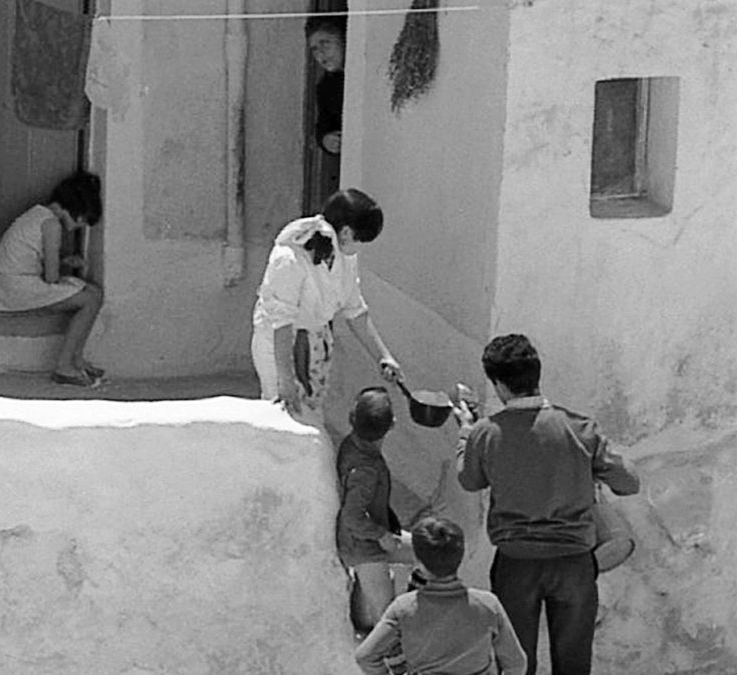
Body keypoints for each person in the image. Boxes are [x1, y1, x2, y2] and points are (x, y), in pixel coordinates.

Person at [455, 334, 641, 675]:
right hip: (573, 564)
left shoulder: (486, 433)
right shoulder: (581, 429)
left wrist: (466, 433)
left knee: (517, 664)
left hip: (516, 563)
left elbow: (469, 480)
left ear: (499, 384)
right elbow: (629, 482)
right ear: (536, 374)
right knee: (573, 666)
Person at [251, 188, 403, 418]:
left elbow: (355, 310)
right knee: (284, 417)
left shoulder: (345, 257)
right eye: (360, 240)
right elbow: (280, 323)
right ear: (346, 232)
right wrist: (285, 381)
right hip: (280, 349)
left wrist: (383, 356)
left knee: (312, 415)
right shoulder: (290, 257)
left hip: (314, 343)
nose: (360, 247)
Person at [354, 517, 528, 675]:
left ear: (419, 563)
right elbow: (516, 663)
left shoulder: (403, 608)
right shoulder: (488, 604)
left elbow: (365, 656)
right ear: (460, 556)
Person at [0, 171, 104, 387]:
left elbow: (35, 257)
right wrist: (64, 270)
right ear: (76, 210)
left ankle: (76, 360)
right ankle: (65, 365)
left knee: (94, 292)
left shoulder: (39, 214)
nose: (80, 226)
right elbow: (52, 278)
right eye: (83, 221)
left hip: (5, 286)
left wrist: (64, 261)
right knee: (90, 299)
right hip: (13, 290)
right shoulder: (52, 225)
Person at [336, 387, 416, 636]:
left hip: (369, 538)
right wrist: (381, 535)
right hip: (363, 547)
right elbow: (352, 516)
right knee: (386, 620)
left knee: (427, 551)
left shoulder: (353, 444)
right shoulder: (365, 470)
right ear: (391, 425)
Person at [306, 15, 346, 156]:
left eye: (326, 44)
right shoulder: (326, 87)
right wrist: (325, 140)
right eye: (315, 49)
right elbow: (324, 125)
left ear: (342, 40)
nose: (321, 54)